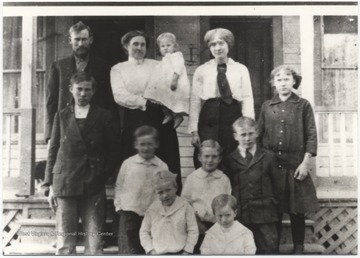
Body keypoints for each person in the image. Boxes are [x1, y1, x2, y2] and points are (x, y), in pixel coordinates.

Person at [43, 72, 118, 254]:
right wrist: (50, 184)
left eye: (87, 90)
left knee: (94, 242)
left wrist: (101, 175)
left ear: (93, 91)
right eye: (79, 89)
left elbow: (113, 150)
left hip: (93, 183)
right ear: (71, 89)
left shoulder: (103, 116)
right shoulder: (61, 116)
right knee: (65, 242)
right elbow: (53, 150)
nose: (83, 94)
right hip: (66, 181)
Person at [258, 65, 319, 254]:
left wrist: (305, 162)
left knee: (296, 210)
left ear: (294, 81)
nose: (282, 83)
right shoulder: (267, 107)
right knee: (274, 210)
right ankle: (273, 250)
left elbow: (311, 135)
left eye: (286, 79)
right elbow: (259, 135)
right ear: (273, 84)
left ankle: (298, 249)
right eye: (278, 79)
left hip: (295, 165)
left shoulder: (303, 105)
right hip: (272, 166)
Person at [110, 30, 182, 192]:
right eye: (135, 44)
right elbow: (119, 94)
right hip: (135, 118)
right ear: (126, 46)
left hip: (161, 117)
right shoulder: (118, 69)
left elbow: (169, 85)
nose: (139, 47)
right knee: (136, 164)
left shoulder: (156, 65)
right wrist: (144, 101)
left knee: (166, 161)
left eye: (143, 44)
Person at [188, 27, 255, 169]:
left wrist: (248, 124)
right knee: (209, 157)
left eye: (221, 43)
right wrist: (194, 130)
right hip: (209, 118)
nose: (217, 48)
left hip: (233, 116)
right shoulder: (202, 70)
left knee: (232, 158)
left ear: (228, 45)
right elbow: (195, 101)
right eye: (213, 44)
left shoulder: (240, 69)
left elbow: (247, 98)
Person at [45, 21, 117, 144]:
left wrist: (113, 133)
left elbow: (110, 102)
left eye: (84, 39)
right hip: (67, 129)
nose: (80, 43)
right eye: (77, 39)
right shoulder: (59, 67)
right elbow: (51, 102)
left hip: (96, 129)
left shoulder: (103, 66)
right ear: (70, 41)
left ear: (91, 40)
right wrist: (50, 135)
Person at [226, 117, 279, 254]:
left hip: (265, 214)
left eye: (250, 133)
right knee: (242, 250)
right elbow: (228, 186)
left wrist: (273, 204)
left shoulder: (268, 157)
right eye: (243, 134)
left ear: (257, 133)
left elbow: (277, 185)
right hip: (242, 213)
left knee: (269, 249)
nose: (247, 138)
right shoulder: (230, 159)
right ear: (235, 136)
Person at [114, 125, 168, 254]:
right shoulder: (128, 164)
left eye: (150, 144)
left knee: (150, 247)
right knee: (129, 248)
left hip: (152, 214)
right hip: (129, 212)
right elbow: (119, 186)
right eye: (142, 144)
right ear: (135, 145)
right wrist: (119, 206)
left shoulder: (162, 166)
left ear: (157, 144)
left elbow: (166, 190)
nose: (146, 148)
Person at [181, 139, 231, 253]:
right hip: (197, 227)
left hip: (218, 226)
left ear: (219, 159)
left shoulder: (224, 179)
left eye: (214, 156)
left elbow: (228, 204)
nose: (210, 160)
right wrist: (197, 224)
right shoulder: (192, 179)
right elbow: (185, 204)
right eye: (206, 156)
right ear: (199, 157)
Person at [140, 170, 199, 255]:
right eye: (160, 192)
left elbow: (193, 230)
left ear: (176, 188)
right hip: (158, 253)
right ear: (155, 193)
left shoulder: (185, 207)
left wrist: (187, 251)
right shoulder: (152, 209)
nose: (165, 195)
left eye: (168, 190)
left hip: (180, 252)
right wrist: (150, 250)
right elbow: (144, 232)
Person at [144, 32, 191, 128]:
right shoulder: (164, 60)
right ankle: (170, 114)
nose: (165, 48)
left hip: (175, 83)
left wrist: (174, 80)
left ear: (175, 47)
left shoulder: (177, 56)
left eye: (168, 45)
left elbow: (178, 68)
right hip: (166, 84)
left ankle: (176, 115)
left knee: (168, 98)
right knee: (156, 97)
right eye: (162, 46)